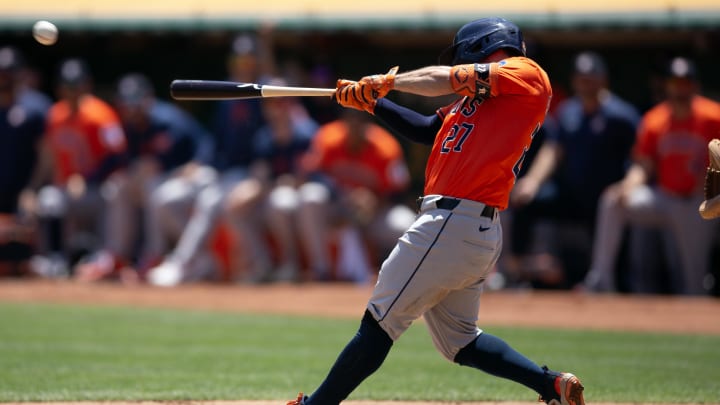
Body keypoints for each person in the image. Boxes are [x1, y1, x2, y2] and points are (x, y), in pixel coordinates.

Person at [287, 17, 585, 405]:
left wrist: (386, 82)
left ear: (480, 45)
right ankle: (552, 386)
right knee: (460, 342)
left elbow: (444, 77)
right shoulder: (477, 101)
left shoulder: (525, 73)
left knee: (380, 320)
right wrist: (373, 103)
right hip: (466, 228)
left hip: (453, 222)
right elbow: (427, 128)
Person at [583, 57, 720, 295]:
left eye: (685, 82)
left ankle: (694, 317)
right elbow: (644, 165)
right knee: (612, 201)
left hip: (699, 204)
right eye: (676, 83)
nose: (680, 88)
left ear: (695, 85)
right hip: (664, 199)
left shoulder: (713, 117)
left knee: (693, 283)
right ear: (667, 86)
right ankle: (600, 280)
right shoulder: (655, 119)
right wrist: (628, 185)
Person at [144, 33, 273, 286]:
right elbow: (215, 139)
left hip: (245, 173)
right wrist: (198, 163)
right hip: (217, 171)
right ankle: (202, 260)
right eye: (239, 60)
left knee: (210, 200)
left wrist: (267, 42)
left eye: (249, 60)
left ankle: (182, 263)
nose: (243, 65)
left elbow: (266, 141)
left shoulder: (264, 93)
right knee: (165, 197)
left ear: (257, 63)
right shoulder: (226, 92)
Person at [505, 51, 639, 289]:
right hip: (571, 194)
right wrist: (533, 181)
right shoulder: (568, 110)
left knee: (614, 246)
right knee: (524, 201)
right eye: (581, 78)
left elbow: (639, 157)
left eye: (590, 78)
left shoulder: (622, 115)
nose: (585, 84)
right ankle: (515, 272)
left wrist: (628, 185)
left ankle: (613, 288)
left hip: (605, 197)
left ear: (603, 79)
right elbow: (554, 150)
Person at [73, 73, 214, 282]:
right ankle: (116, 255)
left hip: (193, 173)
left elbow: (205, 147)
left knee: (152, 185)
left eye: (135, 102)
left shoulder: (168, 120)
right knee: (118, 186)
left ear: (148, 99)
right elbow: (118, 161)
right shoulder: (129, 126)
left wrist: (192, 166)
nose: (131, 108)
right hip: (161, 178)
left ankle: (153, 254)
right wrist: (87, 178)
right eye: (127, 103)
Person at [31, 58, 126, 275]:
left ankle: (108, 257)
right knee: (48, 199)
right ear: (60, 88)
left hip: (97, 187)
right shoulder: (55, 115)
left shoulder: (101, 115)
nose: (72, 91)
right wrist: (32, 187)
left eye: (77, 85)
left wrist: (88, 178)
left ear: (87, 85)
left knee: (115, 191)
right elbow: (49, 157)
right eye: (68, 86)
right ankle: (54, 260)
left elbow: (118, 155)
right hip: (67, 188)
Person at [296, 109, 415, 283]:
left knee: (407, 226)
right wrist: (340, 195)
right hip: (338, 209)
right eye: (350, 120)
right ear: (343, 123)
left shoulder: (385, 147)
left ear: (368, 125)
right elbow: (309, 173)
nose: (354, 126)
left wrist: (374, 199)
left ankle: (401, 278)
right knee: (309, 197)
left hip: (375, 213)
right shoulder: (328, 138)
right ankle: (321, 269)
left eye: (359, 121)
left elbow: (399, 190)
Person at [224, 85, 318, 283]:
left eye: (282, 102)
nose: (277, 108)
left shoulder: (306, 133)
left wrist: (273, 186)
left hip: (307, 197)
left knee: (280, 201)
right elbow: (262, 176)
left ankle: (291, 264)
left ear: (291, 104)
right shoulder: (265, 137)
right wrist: (249, 192)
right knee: (235, 206)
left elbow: (307, 177)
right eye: (272, 103)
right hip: (273, 193)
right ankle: (262, 264)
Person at [0, 46, 48, 277]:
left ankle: (43, 262)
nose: (4, 78)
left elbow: (46, 155)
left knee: (41, 206)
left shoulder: (35, 107)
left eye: (9, 73)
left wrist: (32, 189)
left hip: (25, 191)